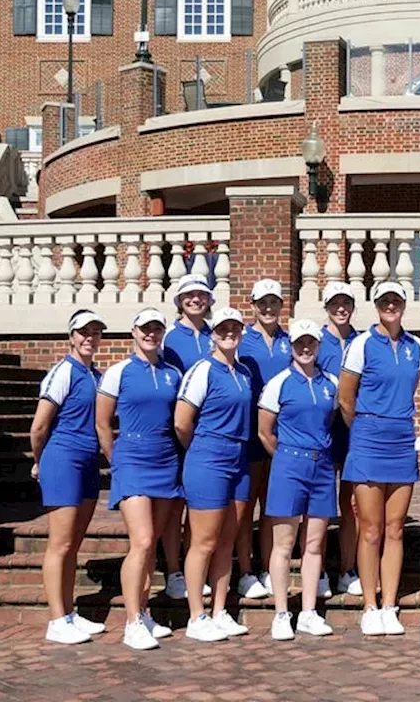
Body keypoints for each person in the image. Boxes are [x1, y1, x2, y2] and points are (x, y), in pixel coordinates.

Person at [337, 281, 420, 636]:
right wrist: (364, 429)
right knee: (370, 528)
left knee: (395, 528)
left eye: (396, 301)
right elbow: (346, 398)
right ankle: (370, 605)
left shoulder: (414, 347)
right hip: (368, 437)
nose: (391, 306)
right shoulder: (361, 344)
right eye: (385, 301)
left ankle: (390, 604)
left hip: (402, 437)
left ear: (404, 304)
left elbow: (410, 388)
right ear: (376, 305)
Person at [96, 308, 185, 651]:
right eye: (145, 328)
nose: (151, 334)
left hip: (165, 458)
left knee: (156, 540)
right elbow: (103, 423)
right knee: (143, 540)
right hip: (132, 458)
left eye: (156, 329)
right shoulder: (118, 372)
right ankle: (132, 621)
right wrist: (115, 460)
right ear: (133, 331)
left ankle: (144, 612)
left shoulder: (173, 373)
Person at [174, 307, 254, 643]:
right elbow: (181, 421)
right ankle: (197, 615)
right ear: (213, 334)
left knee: (227, 539)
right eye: (222, 328)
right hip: (208, 456)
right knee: (203, 541)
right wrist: (203, 449)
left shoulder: (245, 372)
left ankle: (220, 610)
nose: (229, 333)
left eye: (235, 328)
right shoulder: (203, 369)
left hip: (239, 457)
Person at [31, 309, 109, 645]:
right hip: (63, 460)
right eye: (83, 332)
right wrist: (40, 462)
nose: (89, 337)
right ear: (71, 336)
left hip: (89, 463)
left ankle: (69, 611)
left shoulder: (97, 376)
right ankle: (56, 619)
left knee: (73, 543)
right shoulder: (63, 372)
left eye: (95, 332)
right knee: (60, 544)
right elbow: (39, 426)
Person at [259, 319, 340, 641]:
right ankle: (281, 612)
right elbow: (265, 431)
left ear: (318, 346)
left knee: (315, 543)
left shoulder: (330, 382)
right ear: (291, 346)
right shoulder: (280, 382)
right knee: (284, 544)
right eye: (299, 344)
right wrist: (286, 456)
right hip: (289, 465)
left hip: (321, 468)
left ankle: (308, 612)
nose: (305, 349)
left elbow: (330, 419)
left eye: (311, 343)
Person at [235, 279, 294, 600]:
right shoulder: (242, 339)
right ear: (253, 305)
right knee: (245, 510)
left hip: (282, 436)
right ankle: (245, 571)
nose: (268, 308)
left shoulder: (290, 340)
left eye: (274, 302)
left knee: (273, 509)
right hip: (248, 435)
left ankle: (270, 569)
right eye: (262, 303)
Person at [160, 273, 216, 601]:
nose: (195, 299)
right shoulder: (168, 337)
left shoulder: (216, 334)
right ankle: (173, 570)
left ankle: (198, 568)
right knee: (175, 505)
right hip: (178, 432)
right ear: (179, 300)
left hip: (208, 434)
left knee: (199, 505)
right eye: (188, 295)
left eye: (201, 295)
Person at [317, 281, 362, 597]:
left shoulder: (363, 342)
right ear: (327, 307)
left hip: (355, 432)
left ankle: (348, 569)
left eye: (346, 303)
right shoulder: (314, 341)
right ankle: (317, 573)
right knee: (319, 506)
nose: (341, 309)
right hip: (322, 431)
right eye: (335, 303)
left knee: (352, 505)